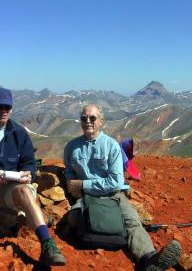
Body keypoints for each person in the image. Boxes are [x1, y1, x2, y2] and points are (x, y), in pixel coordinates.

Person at [63, 104, 181, 270]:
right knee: (73, 218)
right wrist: (70, 183)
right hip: (85, 198)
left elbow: (116, 182)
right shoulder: (71, 147)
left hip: (113, 196)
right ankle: (104, 233)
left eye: (92, 118)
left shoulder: (111, 146)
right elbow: (69, 171)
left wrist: (83, 184)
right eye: (83, 118)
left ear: (101, 121)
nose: (87, 121)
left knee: (131, 220)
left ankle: (148, 259)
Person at [0, 87, 65, 266]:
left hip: (11, 190)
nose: (4, 111)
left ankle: (47, 243)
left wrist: (27, 174)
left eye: (7, 107)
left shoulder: (19, 133)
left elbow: (29, 163)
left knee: (24, 191)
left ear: (12, 109)